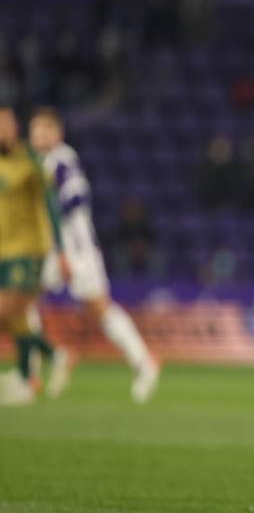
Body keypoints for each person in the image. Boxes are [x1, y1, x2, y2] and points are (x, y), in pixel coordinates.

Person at [28, 107, 160, 403]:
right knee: (21, 300)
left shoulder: (62, 159)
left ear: (57, 133)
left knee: (99, 308)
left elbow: (77, 197)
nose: (39, 135)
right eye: (35, 129)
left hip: (77, 249)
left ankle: (144, 362)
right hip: (50, 248)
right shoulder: (36, 163)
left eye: (45, 129)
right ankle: (34, 372)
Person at [0, 106, 68, 406]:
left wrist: (62, 251)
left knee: (6, 311)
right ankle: (40, 368)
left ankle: (33, 372)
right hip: (4, 250)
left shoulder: (31, 160)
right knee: (17, 318)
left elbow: (52, 205)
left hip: (30, 249)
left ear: (15, 128)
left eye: (5, 125)